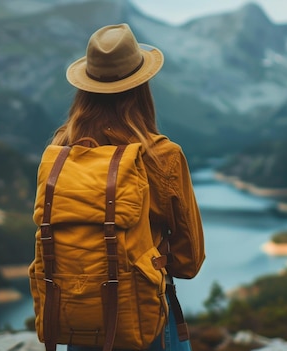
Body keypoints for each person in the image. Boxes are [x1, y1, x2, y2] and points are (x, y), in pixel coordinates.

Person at [50, 23, 205, 351]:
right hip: (147, 325)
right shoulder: (162, 155)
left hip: (80, 323)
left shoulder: (61, 152)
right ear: (141, 87)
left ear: (86, 87)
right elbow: (189, 262)